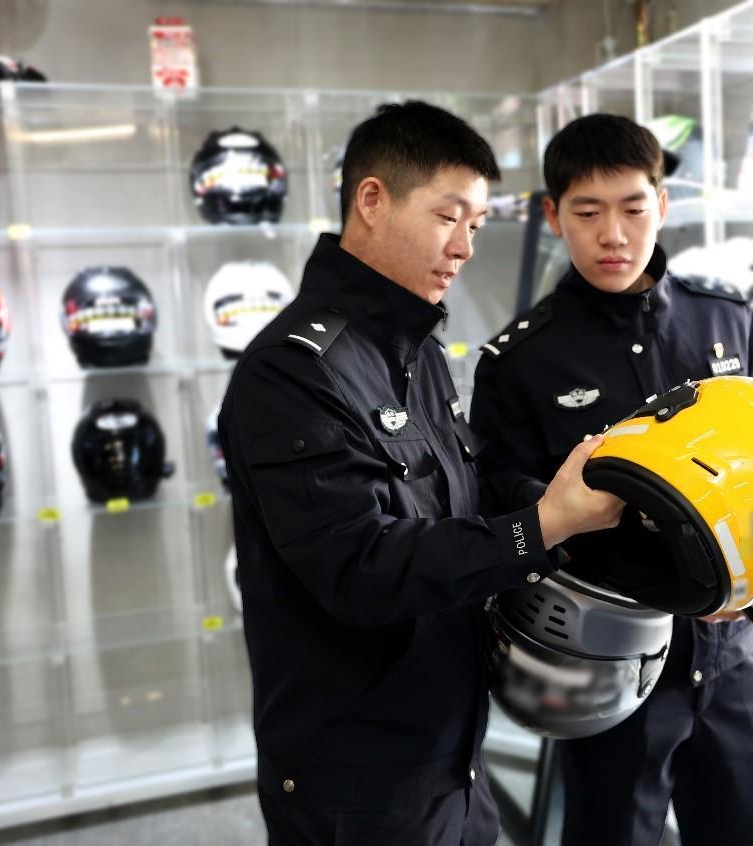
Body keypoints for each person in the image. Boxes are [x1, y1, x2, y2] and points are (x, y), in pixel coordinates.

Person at [217, 101, 623, 846]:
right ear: (371, 201)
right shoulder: (291, 372)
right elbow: (361, 568)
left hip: (452, 754)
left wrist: (570, 502)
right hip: (357, 780)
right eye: (448, 217)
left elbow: (462, 495)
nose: (464, 247)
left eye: (477, 224)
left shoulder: (417, 349)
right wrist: (541, 527)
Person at [469, 113, 753, 846]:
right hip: (605, 666)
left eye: (633, 208)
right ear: (554, 217)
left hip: (735, 656)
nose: (613, 234)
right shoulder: (519, 362)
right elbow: (496, 497)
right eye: (587, 213)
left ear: (662, 205)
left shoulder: (725, 321)